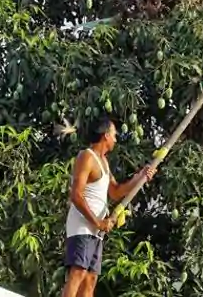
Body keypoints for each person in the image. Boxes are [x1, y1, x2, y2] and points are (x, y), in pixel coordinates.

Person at [61, 116, 157, 297]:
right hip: (83, 226)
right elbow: (76, 195)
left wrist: (140, 177)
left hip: (97, 229)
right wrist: (98, 222)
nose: (115, 139)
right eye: (114, 135)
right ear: (105, 135)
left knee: (90, 280)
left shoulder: (103, 162)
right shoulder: (86, 156)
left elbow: (116, 192)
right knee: (78, 273)